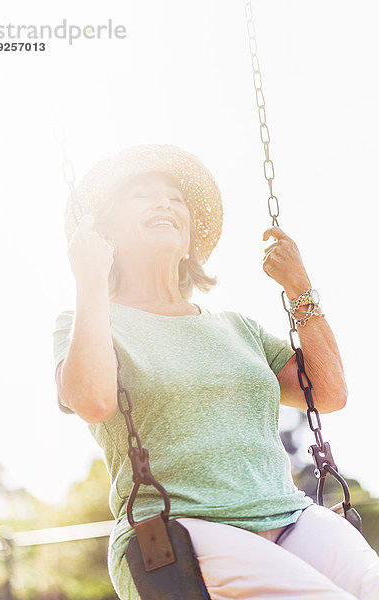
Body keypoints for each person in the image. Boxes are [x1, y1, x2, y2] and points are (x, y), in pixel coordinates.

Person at [52, 144, 379, 600]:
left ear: (188, 240)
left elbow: (328, 393)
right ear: (105, 231)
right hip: (179, 532)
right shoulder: (87, 323)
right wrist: (89, 279)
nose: (164, 202)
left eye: (175, 197)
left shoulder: (237, 328)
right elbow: (94, 401)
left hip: (290, 517)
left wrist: (299, 287)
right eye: (141, 194)